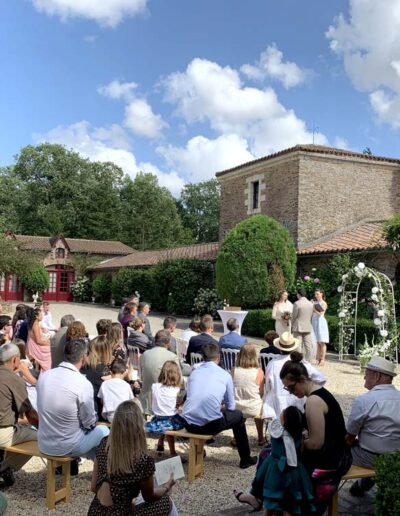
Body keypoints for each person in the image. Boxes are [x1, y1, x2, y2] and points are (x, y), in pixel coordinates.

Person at [280, 351, 351, 515]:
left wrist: (294, 443)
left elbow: (315, 444)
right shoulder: (319, 393)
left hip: (332, 460)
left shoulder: (313, 401)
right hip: (337, 453)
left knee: (283, 466)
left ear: (302, 380)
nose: (290, 392)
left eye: (291, 387)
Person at [88, 400, 176, 516]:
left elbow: (94, 487)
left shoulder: (104, 444)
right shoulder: (142, 459)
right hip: (122, 513)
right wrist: (166, 486)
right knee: (167, 502)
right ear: (138, 425)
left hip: (95, 511)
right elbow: (149, 497)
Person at [183, 342, 257, 469]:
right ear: (218, 357)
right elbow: (231, 407)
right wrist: (220, 406)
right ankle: (245, 458)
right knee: (238, 415)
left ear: (203, 357)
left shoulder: (194, 373)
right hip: (209, 425)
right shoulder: (225, 375)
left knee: (210, 411)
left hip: (189, 423)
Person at [37, 339, 109, 462]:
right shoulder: (82, 383)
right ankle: (103, 469)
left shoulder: (44, 376)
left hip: (44, 443)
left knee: (90, 436)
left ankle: (96, 466)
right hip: (67, 446)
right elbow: (89, 422)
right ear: (84, 356)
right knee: (104, 430)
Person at [235, 406, 316, 515]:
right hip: (295, 470)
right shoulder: (299, 434)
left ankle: (260, 504)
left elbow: (273, 425)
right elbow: (301, 450)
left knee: (271, 501)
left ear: (285, 420)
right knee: (289, 503)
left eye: (284, 412)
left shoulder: (276, 432)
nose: (281, 411)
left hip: (275, 470)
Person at [346, 355, 400, 497]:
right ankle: (361, 486)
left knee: (337, 448)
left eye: (367, 373)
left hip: (370, 457)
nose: (364, 377)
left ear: (377, 376)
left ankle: (325, 491)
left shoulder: (365, 400)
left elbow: (350, 436)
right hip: (396, 456)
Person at [262, 332, 326, 421]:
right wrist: (308, 388)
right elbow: (321, 378)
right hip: (299, 403)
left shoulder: (272, 363)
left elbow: (268, 386)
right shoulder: (300, 362)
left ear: (279, 347)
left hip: (279, 404)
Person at [0, 343, 38, 487]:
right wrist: (45, 428)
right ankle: (5, 468)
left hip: (4, 429)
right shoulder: (14, 379)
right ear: (15, 360)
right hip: (3, 433)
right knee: (39, 437)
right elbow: (31, 415)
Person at [145, 361, 185, 457]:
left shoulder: (155, 386)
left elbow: (153, 402)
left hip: (157, 419)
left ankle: (161, 441)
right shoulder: (176, 389)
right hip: (171, 419)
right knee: (170, 425)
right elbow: (176, 406)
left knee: (164, 421)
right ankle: (173, 453)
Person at [139, 330, 181, 414]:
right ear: (168, 342)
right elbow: (179, 379)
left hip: (145, 402)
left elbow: (141, 376)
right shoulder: (172, 356)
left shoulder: (145, 354)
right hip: (162, 404)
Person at [232, 344, 265, 445]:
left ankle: (236, 437)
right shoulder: (259, 371)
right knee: (259, 409)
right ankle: (260, 437)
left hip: (237, 406)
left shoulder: (234, 370)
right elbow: (261, 392)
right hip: (253, 406)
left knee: (240, 413)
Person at [81, 335, 113, 418]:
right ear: (106, 352)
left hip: (81, 411)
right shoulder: (104, 371)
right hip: (96, 414)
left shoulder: (82, 367)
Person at [291, 288, 315, 362]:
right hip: (307, 325)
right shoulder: (311, 304)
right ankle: (308, 360)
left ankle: (298, 359)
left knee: (297, 344)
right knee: (308, 345)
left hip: (298, 326)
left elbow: (294, 316)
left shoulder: (297, 303)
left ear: (299, 294)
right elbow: (311, 315)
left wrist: (291, 324)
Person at [26, 306, 51, 371]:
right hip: (35, 347)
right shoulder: (36, 325)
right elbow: (38, 341)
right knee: (50, 349)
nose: (42, 316)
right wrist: (49, 343)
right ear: (36, 316)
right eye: (41, 315)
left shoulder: (32, 323)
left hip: (31, 344)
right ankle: (46, 369)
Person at [312, 289, 329, 366]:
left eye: (317, 294)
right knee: (317, 341)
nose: (316, 296)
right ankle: (317, 358)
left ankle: (322, 359)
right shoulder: (315, 303)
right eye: (315, 294)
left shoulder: (324, 303)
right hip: (314, 322)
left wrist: (314, 309)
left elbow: (320, 314)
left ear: (321, 294)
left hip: (321, 323)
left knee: (322, 341)